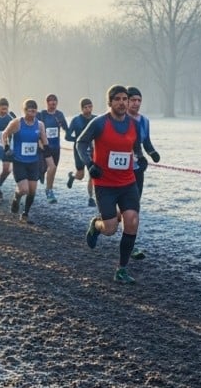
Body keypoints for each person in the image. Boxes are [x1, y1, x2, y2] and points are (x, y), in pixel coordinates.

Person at [77, 85, 148, 284]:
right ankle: (96, 225)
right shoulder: (99, 123)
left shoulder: (134, 125)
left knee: (132, 220)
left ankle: (122, 270)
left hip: (127, 182)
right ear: (110, 102)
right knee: (110, 229)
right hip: (105, 184)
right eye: (117, 99)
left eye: (125, 98)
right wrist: (90, 164)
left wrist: (141, 159)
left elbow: (136, 147)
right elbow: (81, 144)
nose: (122, 102)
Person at [124, 86, 159, 261]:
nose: (136, 103)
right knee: (119, 212)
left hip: (137, 170)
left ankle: (132, 244)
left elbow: (147, 142)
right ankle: (101, 222)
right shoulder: (120, 119)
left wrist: (153, 153)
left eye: (139, 100)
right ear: (126, 100)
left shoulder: (144, 121)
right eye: (133, 100)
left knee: (134, 207)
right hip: (119, 170)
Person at [2, 98, 49, 223]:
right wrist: (6, 147)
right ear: (24, 111)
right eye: (29, 109)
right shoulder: (17, 123)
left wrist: (48, 155)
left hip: (33, 162)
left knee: (32, 191)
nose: (32, 112)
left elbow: (44, 141)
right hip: (19, 161)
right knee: (24, 189)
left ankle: (25, 213)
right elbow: (4, 134)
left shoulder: (39, 125)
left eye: (34, 110)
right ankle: (16, 198)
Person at [64, 96, 97, 206]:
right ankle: (72, 176)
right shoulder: (76, 120)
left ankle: (91, 198)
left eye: (90, 107)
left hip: (93, 150)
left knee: (92, 173)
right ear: (82, 109)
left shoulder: (96, 119)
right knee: (80, 175)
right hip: (79, 150)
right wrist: (79, 140)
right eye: (86, 107)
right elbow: (67, 136)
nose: (88, 109)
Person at [38, 93, 69, 203]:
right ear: (47, 103)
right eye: (50, 101)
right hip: (44, 147)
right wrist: (39, 142)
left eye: (54, 101)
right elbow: (35, 129)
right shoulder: (41, 114)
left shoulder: (59, 114)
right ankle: (48, 189)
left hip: (56, 147)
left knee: (53, 168)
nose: (53, 103)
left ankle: (49, 189)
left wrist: (71, 135)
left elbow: (66, 128)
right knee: (46, 168)